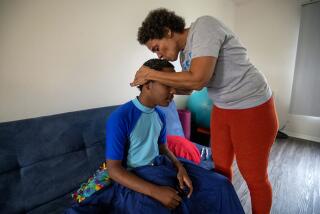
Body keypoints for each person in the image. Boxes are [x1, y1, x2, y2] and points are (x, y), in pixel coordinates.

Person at [131, 8, 279, 214]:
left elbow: (198, 79)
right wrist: (155, 82)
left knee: (255, 178)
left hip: (252, 107)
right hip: (222, 107)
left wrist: (151, 72)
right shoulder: (185, 57)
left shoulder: (204, 27)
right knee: (220, 168)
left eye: (157, 47)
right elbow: (189, 88)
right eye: (155, 52)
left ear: (167, 31)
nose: (159, 54)